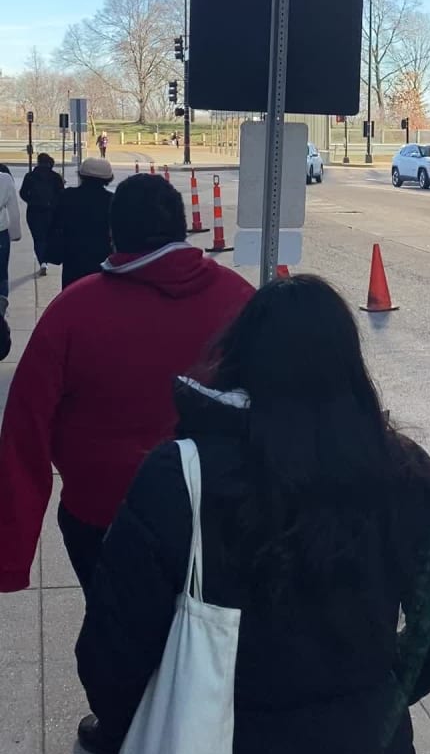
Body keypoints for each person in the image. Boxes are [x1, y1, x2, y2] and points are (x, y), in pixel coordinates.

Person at [75, 276, 430, 754]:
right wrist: (381, 692)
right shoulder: (402, 471)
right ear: (350, 369)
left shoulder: (179, 477)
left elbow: (111, 653)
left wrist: (147, 728)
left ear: (239, 357)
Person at [0, 174, 254, 596]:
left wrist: (12, 553)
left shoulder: (72, 311)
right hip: (214, 512)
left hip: (100, 515)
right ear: (182, 227)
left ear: (113, 235)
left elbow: (24, 430)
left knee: (112, 624)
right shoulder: (241, 299)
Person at [46, 156, 114, 289]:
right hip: (102, 259)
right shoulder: (112, 200)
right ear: (108, 178)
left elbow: (54, 224)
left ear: (81, 175)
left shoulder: (67, 196)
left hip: (72, 257)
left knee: (72, 294)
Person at [20, 152, 64, 276]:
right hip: (51, 212)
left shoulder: (30, 176)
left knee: (38, 238)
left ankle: (43, 262)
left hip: (34, 212)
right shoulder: (55, 177)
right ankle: (48, 256)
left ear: (38, 162)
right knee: (49, 236)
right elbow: (61, 194)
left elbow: (23, 193)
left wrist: (31, 201)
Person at [0, 164, 21, 302]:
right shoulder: (5, 179)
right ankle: (2, 300)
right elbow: (13, 209)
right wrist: (15, 233)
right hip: (1, 231)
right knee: (1, 271)